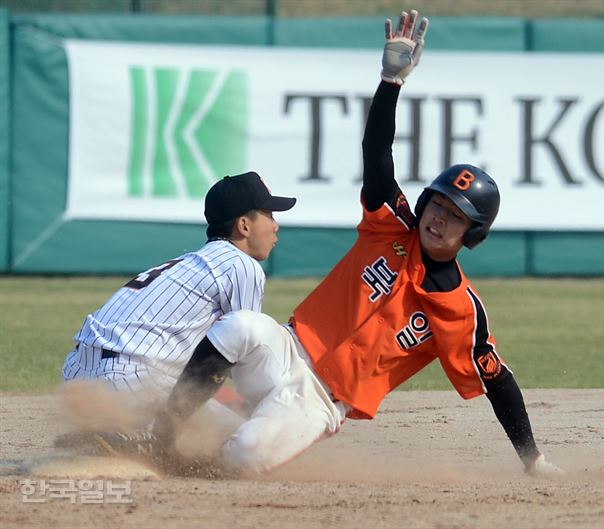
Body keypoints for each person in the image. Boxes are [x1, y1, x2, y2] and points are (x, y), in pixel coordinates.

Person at [89, 10, 563, 477]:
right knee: (241, 325)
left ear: (474, 234)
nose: (440, 218)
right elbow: (377, 153)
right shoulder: (390, 225)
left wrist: (533, 458)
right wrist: (390, 82)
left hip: (319, 400)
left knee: (242, 458)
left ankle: (192, 455)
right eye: (438, 204)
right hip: (287, 349)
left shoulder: (462, 309)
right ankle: (161, 435)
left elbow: (497, 378)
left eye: (457, 216)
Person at [57, 171, 296, 453]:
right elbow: (245, 358)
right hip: (132, 378)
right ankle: (135, 443)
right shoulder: (240, 265)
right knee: (247, 442)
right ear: (244, 225)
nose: (276, 225)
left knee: (205, 407)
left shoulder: (192, 262)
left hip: (79, 376)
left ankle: (110, 433)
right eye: (269, 214)